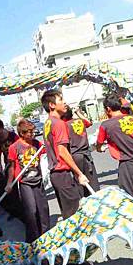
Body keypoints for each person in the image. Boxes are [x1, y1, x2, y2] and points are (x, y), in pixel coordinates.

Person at [96, 93, 133, 249]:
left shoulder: (106, 125)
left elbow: (99, 143)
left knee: (131, 202)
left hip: (128, 166)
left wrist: (100, 147)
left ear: (108, 109)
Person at [41, 90, 89, 220]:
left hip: (56, 175)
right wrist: (79, 173)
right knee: (74, 216)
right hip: (62, 174)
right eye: (61, 100)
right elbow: (62, 151)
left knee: (68, 214)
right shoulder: (59, 124)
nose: (64, 103)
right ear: (52, 105)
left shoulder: (48, 123)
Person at [5, 119, 49, 242]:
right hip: (25, 183)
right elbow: (12, 167)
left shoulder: (37, 144)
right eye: (29, 132)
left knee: (43, 210)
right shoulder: (14, 147)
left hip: (38, 180)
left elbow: (48, 149)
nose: (32, 134)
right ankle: (33, 240)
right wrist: (9, 183)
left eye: (32, 131)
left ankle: (46, 236)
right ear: (22, 133)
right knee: (31, 211)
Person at [0, 119, 24, 222]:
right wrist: (0, 173)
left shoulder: (13, 136)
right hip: (10, 167)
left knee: (23, 187)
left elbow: (21, 149)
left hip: (20, 164)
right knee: (11, 191)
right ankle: (17, 211)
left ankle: (26, 208)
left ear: (1, 127)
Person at [61, 106, 100, 197]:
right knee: (92, 182)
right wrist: (78, 112)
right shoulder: (80, 121)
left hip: (75, 156)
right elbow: (89, 122)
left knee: (80, 184)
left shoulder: (64, 125)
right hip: (86, 155)